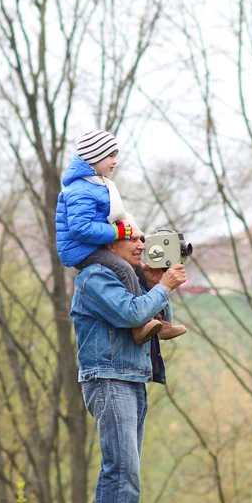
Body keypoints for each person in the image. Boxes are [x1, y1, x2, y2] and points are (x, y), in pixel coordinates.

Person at [71, 221, 187, 503]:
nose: (140, 243)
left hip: (131, 378)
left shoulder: (127, 278)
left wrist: (153, 284)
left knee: (127, 469)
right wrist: (162, 287)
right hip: (108, 378)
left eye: (140, 237)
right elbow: (131, 313)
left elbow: (158, 322)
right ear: (109, 245)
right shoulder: (95, 278)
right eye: (132, 238)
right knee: (121, 468)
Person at [56, 129, 186, 345]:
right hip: (80, 250)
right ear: (94, 156)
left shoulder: (98, 184)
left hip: (94, 244)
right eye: (111, 156)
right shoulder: (81, 189)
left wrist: (133, 230)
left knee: (137, 269)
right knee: (125, 268)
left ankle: (159, 321)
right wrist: (120, 232)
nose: (115, 161)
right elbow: (80, 229)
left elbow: (115, 215)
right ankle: (139, 326)